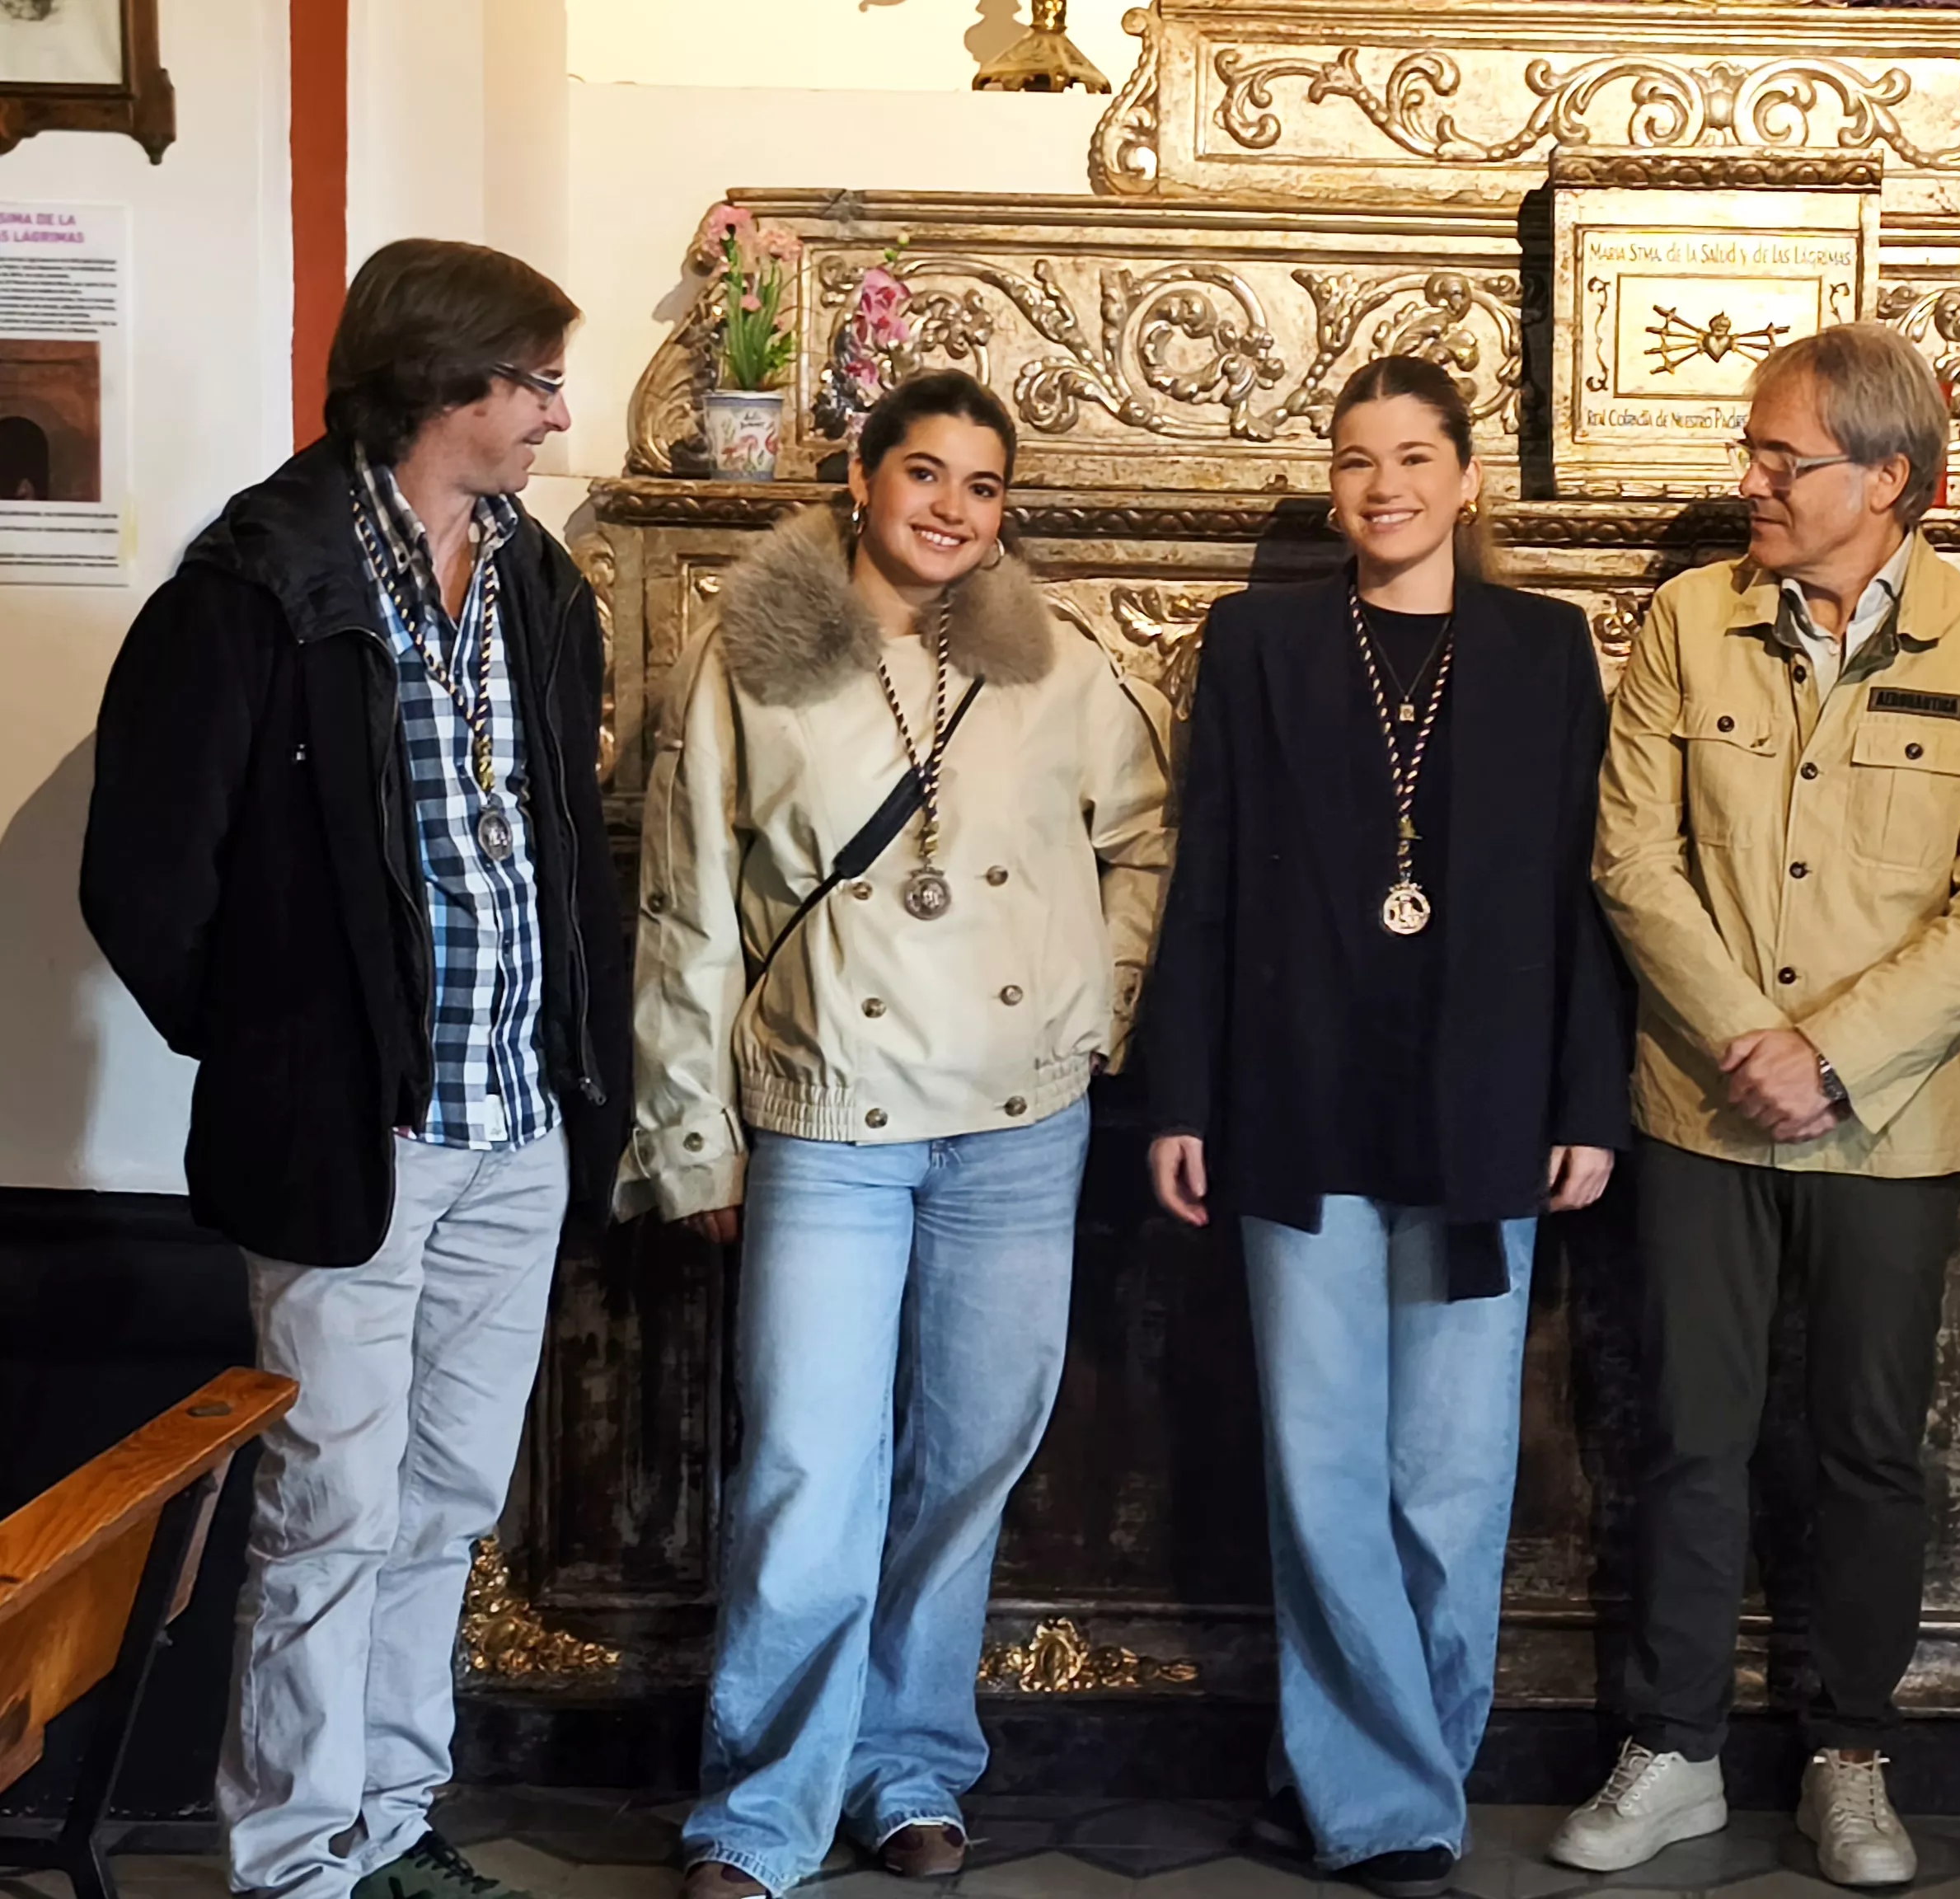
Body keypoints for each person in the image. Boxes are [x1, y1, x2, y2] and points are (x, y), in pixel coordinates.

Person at [81, 238, 627, 1899]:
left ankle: (391, 1825)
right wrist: (281, 1047)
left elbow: (557, 852)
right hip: (355, 1142)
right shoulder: (257, 586)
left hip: (515, 1123)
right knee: (330, 1510)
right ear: (443, 383)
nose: (558, 414)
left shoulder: (538, 585)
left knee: (446, 1505)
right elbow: (145, 882)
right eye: (536, 382)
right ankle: (299, 1863)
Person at [624, 369, 1174, 1899]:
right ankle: (761, 1810)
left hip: (1019, 1125)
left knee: (968, 1465)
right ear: (861, 478)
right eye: (924, 472)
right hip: (827, 1117)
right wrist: (690, 1134)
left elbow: (1149, 841)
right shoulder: (747, 658)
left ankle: (907, 1764)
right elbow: (683, 909)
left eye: (982, 487)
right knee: (811, 1466)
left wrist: (1097, 1008)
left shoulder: (1062, 665)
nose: (951, 508)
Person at [1558, 323, 1960, 1885]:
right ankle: (1676, 1750)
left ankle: (1849, 1755)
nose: (1754, 480)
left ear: (1888, 478)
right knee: (1690, 1439)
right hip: (1703, 1106)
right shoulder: (1689, 621)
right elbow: (1631, 856)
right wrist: (1748, 1037)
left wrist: (1833, 1054)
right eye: (1755, 451)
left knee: (1868, 1446)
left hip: (1894, 1121)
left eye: (1786, 459)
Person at [1138, 355, 1634, 1899]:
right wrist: (1180, 1095)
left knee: (1451, 1478)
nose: (1386, 486)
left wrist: (1589, 1099)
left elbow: (1587, 889)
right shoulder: (1264, 641)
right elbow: (1206, 874)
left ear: (1468, 479)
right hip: (1298, 1102)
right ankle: (1386, 1798)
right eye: (1357, 460)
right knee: (1324, 1466)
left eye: (1415, 457)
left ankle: (1389, 1764)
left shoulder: (1545, 647)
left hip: (1482, 1110)